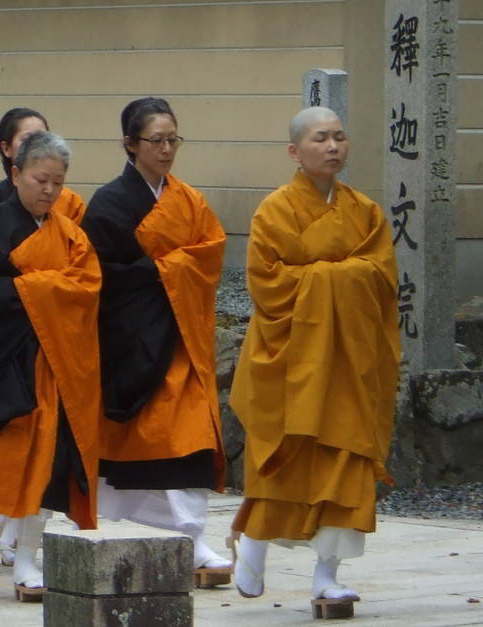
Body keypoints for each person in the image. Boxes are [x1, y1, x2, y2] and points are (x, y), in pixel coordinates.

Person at [229, 106, 399, 609]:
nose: (333, 147)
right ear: (294, 151)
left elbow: (381, 276)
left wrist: (325, 273)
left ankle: (327, 574)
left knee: (344, 466)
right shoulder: (274, 211)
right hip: (289, 360)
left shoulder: (366, 211)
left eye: (340, 137)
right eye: (322, 138)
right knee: (282, 460)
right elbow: (267, 285)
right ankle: (254, 548)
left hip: (347, 361)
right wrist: (338, 273)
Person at [83, 97, 234, 582]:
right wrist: (167, 267)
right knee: (153, 439)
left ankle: (191, 536)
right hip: (136, 341)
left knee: (191, 437)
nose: (167, 149)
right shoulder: (109, 203)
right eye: (157, 140)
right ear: (130, 144)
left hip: (181, 338)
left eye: (173, 139)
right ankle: (178, 536)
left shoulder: (188, 200)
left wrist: (170, 268)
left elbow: (209, 253)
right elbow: (101, 276)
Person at [0, 131, 101, 602]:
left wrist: (36, 287)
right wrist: (42, 288)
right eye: (40, 179)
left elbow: (86, 288)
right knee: (3, 458)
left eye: (58, 181)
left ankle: (30, 555)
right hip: (1, 364)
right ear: (16, 174)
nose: (49, 191)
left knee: (52, 465)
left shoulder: (71, 235)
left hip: (56, 368)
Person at [0, 108, 87, 224]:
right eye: (28, 139)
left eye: (44, 139)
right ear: (6, 148)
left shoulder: (70, 203)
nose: (38, 147)